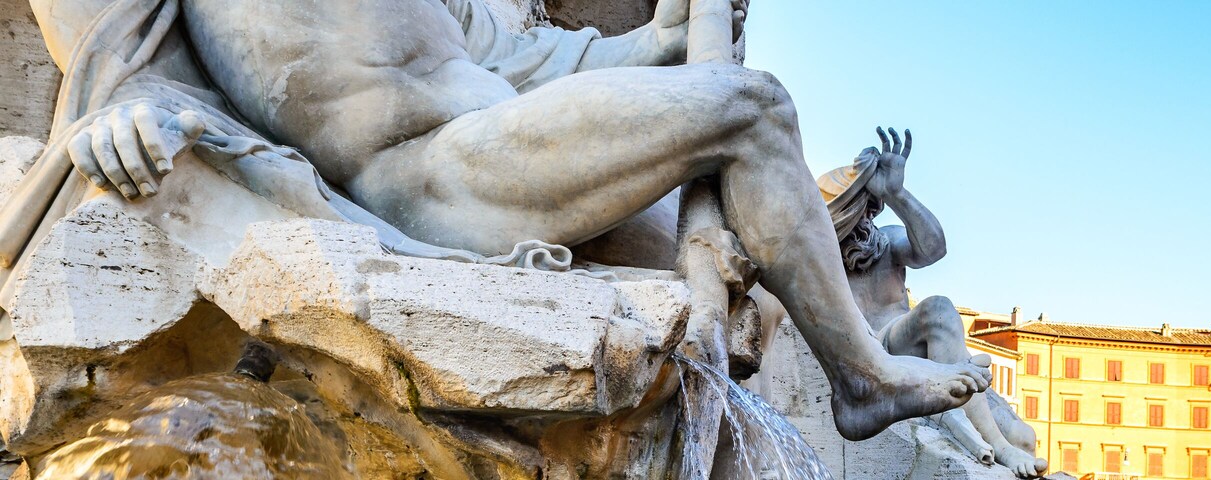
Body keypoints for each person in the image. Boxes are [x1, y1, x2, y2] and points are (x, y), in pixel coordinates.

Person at [17, 0, 985, 441]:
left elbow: (520, 59)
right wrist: (118, 111)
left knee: (727, 252)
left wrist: (656, 38)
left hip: (491, 140)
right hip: (426, 178)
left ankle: (847, 364)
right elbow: (107, 54)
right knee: (756, 109)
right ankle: (863, 376)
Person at [819, 128, 1047, 477]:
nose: (863, 220)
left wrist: (897, 193)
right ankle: (998, 449)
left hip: (923, 352)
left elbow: (934, 248)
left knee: (1025, 436)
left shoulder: (885, 243)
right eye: (854, 212)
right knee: (939, 307)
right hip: (877, 350)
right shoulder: (822, 261)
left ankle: (1007, 444)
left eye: (868, 210)